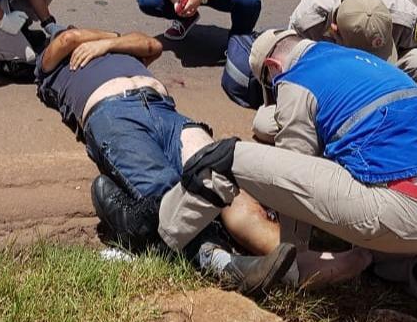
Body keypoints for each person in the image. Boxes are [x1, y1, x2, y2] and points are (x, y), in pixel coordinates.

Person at [159, 29, 417, 322]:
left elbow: (292, 173)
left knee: (222, 157)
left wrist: (290, 251)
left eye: (268, 85)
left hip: (399, 206)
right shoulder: (357, 62)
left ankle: (165, 243)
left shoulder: (297, 79)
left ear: (272, 67)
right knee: (381, 259)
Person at [34, 24, 297, 295]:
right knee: (168, 192)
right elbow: (68, 38)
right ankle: (222, 262)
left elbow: (152, 46)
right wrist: (105, 39)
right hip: (113, 112)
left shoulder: (115, 49)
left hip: (163, 109)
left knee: (219, 177)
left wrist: (107, 44)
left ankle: (295, 264)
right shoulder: (50, 67)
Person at [286, 0, 417, 151]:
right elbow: (289, 76)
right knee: (270, 125)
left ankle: (391, 123)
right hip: (333, 82)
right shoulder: (307, 23)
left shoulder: (406, 17)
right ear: (334, 31)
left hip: (386, 82)